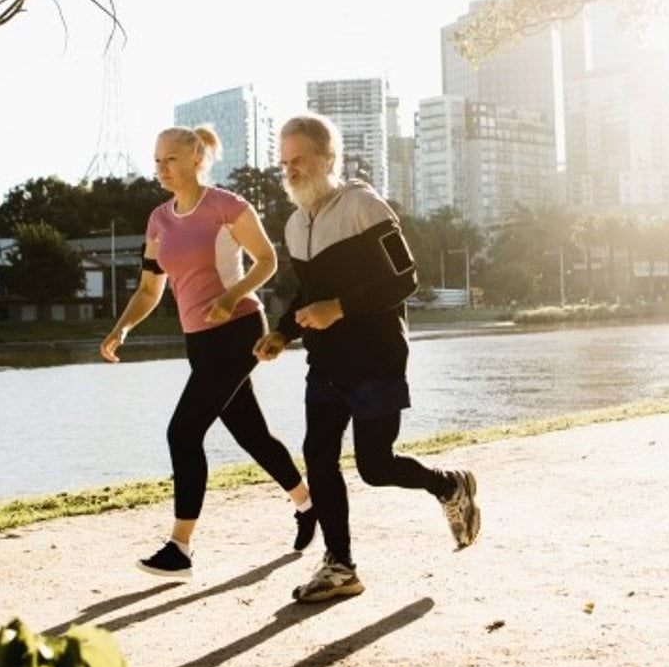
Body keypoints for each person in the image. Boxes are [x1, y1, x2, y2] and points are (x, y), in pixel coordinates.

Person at [254, 113, 480, 604]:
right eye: (285, 163)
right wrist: (283, 332)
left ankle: (449, 486)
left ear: (327, 159)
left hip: (376, 355)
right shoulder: (296, 224)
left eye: (301, 160)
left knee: (375, 467)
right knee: (319, 456)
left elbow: (404, 279)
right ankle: (340, 565)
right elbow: (307, 294)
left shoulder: (363, 205)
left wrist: (338, 307)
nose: (291, 170)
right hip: (327, 364)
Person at [101, 125, 315, 579]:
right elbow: (148, 289)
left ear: (196, 158)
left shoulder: (226, 206)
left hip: (238, 330)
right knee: (251, 434)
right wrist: (121, 329)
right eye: (157, 160)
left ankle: (179, 547)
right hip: (198, 340)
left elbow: (267, 260)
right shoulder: (159, 219)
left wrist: (229, 295)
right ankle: (308, 503)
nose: (161, 168)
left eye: (171, 160)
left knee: (183, 432)